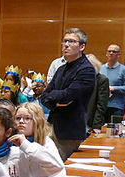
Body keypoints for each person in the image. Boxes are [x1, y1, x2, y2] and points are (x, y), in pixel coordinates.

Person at [39, 27, 96, 160]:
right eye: (65, 41)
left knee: (58, 170)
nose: (66, 45)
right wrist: (57, 103)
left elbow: (68, 95)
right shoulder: (61, 69)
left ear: (82, 46)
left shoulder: (86, 69)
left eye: (71, 41)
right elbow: (44, 96)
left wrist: (54, 97)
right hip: (52, 125)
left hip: (69, 131)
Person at [102, 44, 125, 123]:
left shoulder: (124, 70)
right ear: (106, 53)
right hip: (101, 106)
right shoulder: (101, 68)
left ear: (118, 55)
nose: (111, 53)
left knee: (114, 132)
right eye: (109, 51)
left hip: (116, 107)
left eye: (114, 52)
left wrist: (113, 88)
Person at [85, 54, 109, 134]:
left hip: (91, 121)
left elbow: (101, 105)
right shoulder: (78, 79)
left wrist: (96, 126)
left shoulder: (102, 80)